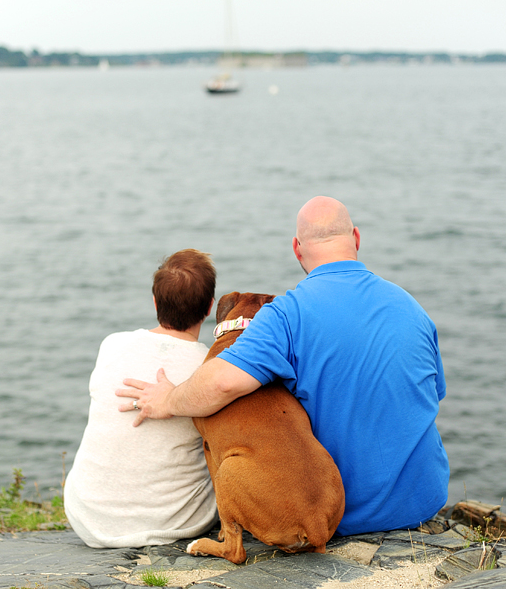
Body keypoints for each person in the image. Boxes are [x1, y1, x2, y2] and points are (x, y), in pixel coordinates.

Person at [118, 197, 450, 536]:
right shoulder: (412, 308)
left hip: (342, 514)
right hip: (422, 503)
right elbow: (430, 396)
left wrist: (169, 399)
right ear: (356, 239)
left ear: (297, 248)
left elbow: (221, 384)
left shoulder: (287, 315)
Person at [63, 249, 219, 548]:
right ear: (210, 306)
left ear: (155, 301)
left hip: (88, 517)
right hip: (175, 521)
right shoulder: (209, 368)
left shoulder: (112, 345)